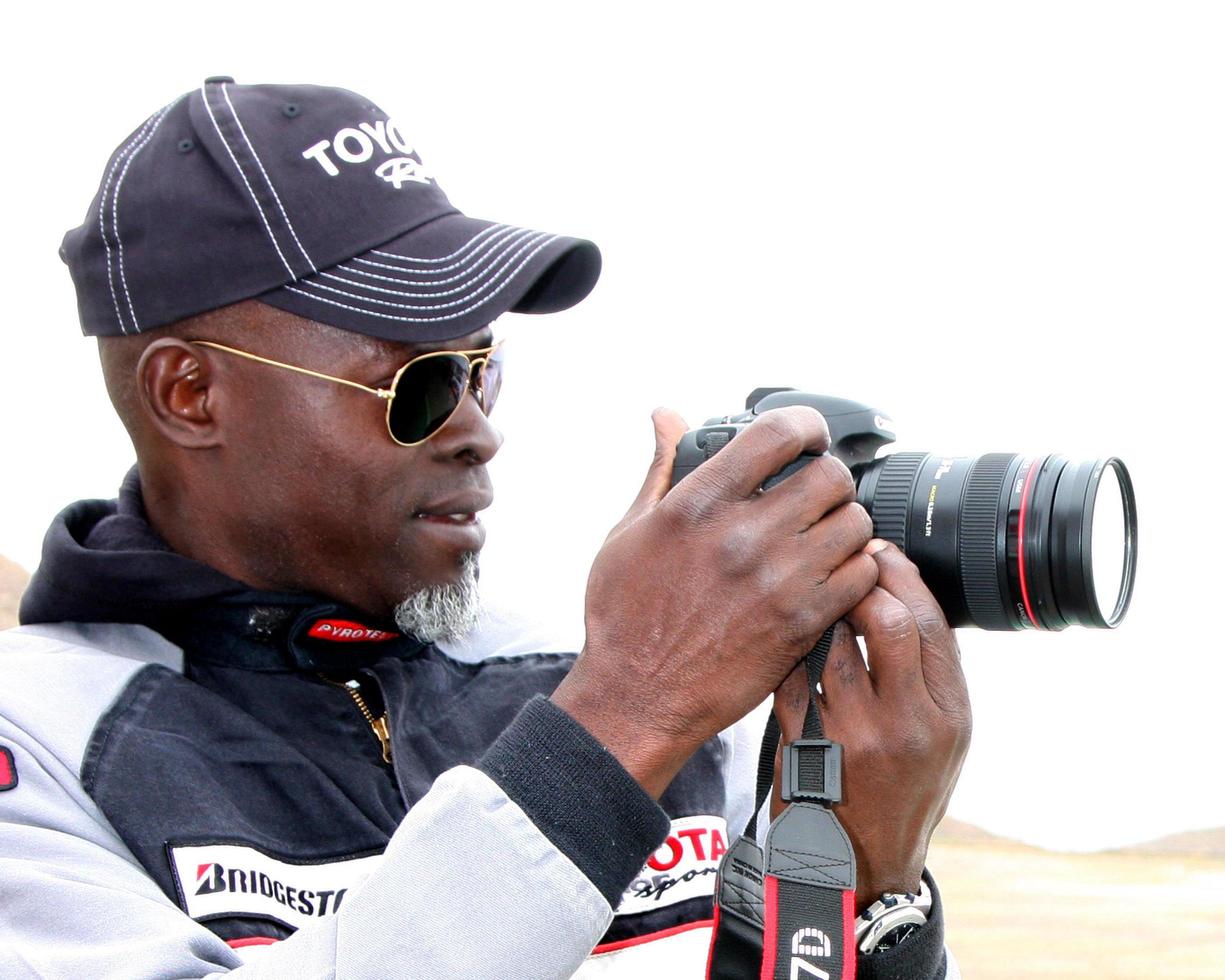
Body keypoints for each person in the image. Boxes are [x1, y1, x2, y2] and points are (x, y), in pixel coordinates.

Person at [0, 78, 971, 978]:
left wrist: (866, 893)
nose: (477, 430)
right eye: (416, 385)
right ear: (190, 392)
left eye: (480, 368)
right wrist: (629, 709)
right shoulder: (38, 743)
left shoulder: (576, 676)